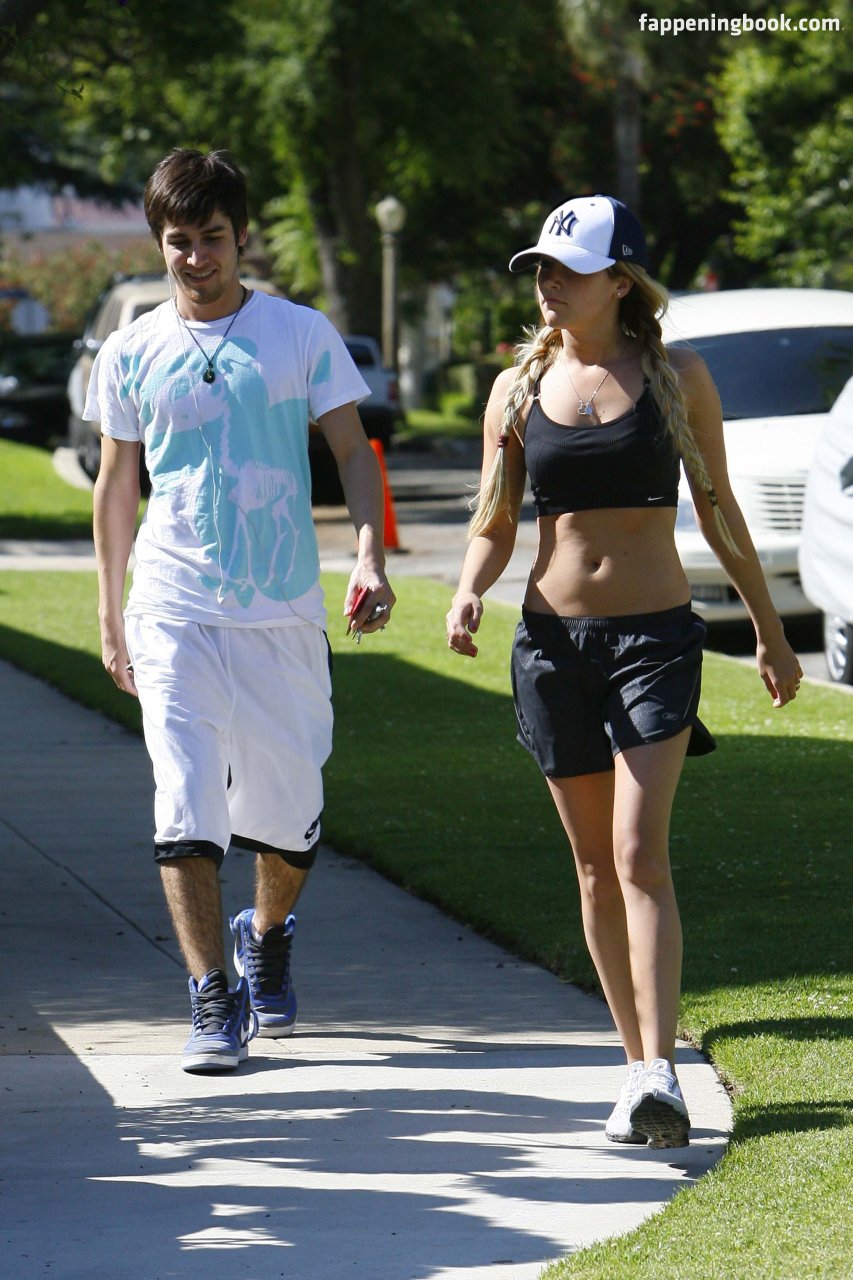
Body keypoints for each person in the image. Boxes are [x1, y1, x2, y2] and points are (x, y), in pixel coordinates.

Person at [445, 195, 802, 1147]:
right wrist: (468, 590)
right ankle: (634, 1062)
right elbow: (494, 520)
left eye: (567, 270)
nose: (547, 284)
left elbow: (718, 510)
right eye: (540, 269)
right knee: (596, 867)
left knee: (640, 852)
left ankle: (661, 1074)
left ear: (620, 280)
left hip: (655, 641)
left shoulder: (679, 376)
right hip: (552, 647)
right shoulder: (516, 388)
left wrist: (768, 630)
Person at [90, 148, 395, 1073]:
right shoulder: (130, 351)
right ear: (159, 242)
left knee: (290, 814)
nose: (196, 258)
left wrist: (369, 555)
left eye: (212, 238)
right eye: (178, 241)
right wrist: (110, 612)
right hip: (172, 609)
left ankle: (264, 933)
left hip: (281, 613)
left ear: (242, 237)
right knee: (184, 801)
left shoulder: (298, 333)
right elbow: (116, 484)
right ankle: (209, 997)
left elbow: (353, 452)